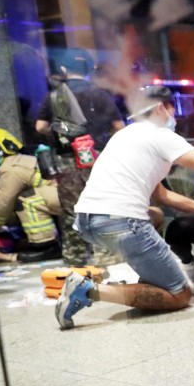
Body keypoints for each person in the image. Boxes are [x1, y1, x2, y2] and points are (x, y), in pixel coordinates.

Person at [54, 86, 194, 330]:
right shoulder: (160, 134)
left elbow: (162, 194)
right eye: (172, 111)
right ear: (161, 109)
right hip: (122, 222)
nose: (174, 119)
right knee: (179, 294)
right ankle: (89, 290)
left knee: (156, 216)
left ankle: (146, 283)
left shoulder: (126, 135)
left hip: (87, 221)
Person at [35, 48, 125, 267]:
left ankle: (76, 259)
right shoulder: (100, 94)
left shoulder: (55, 95)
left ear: (64, 69)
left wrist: (62, 133)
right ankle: (108, 256)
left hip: (68, 160)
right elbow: (119, 127)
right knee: (103, 207)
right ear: (89, 69)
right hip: (98, 158)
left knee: (72, 211)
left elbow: (41, 126)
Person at [0, 131, 61, 262]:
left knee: (26, 200)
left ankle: (46, 246)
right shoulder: (20, 160)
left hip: (60, 197)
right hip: (63, 195)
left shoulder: (11, 171)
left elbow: (1, 207)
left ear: (5, 148)